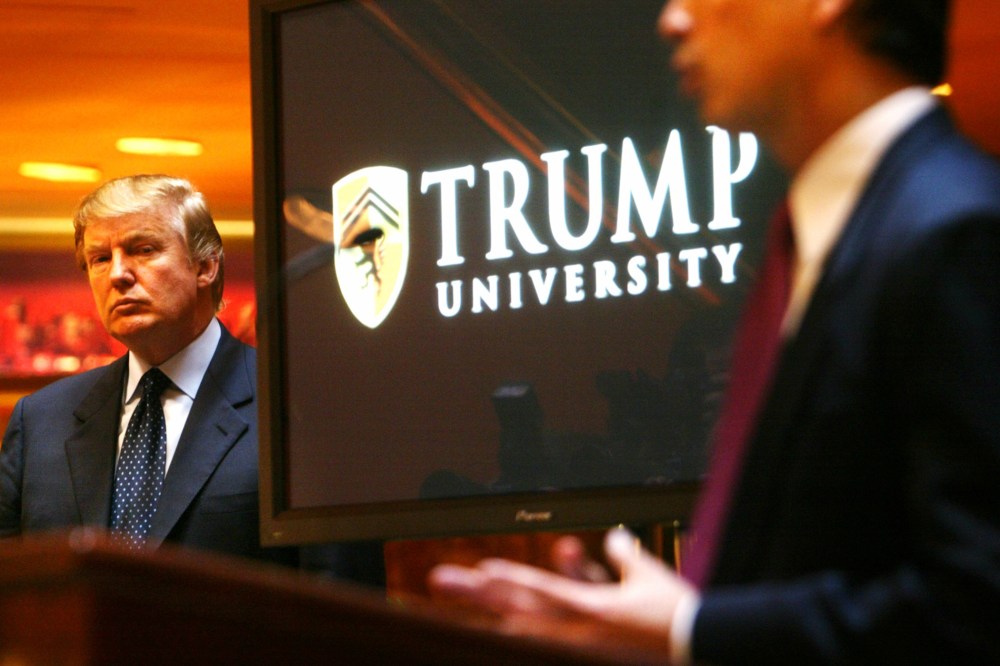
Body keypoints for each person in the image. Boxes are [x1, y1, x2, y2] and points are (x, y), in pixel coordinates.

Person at [428, 0, 1000, 663]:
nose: (672, 20)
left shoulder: (956, 230)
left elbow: (977, 605)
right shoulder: (832, 232)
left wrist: (691, 631)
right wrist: (654, 627)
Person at [0, 174, 385, 585]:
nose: (117, 274)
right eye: (99, 258)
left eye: (143, 250)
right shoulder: (41, 420)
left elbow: (345, 601)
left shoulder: (301, 407)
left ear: (205, 265)